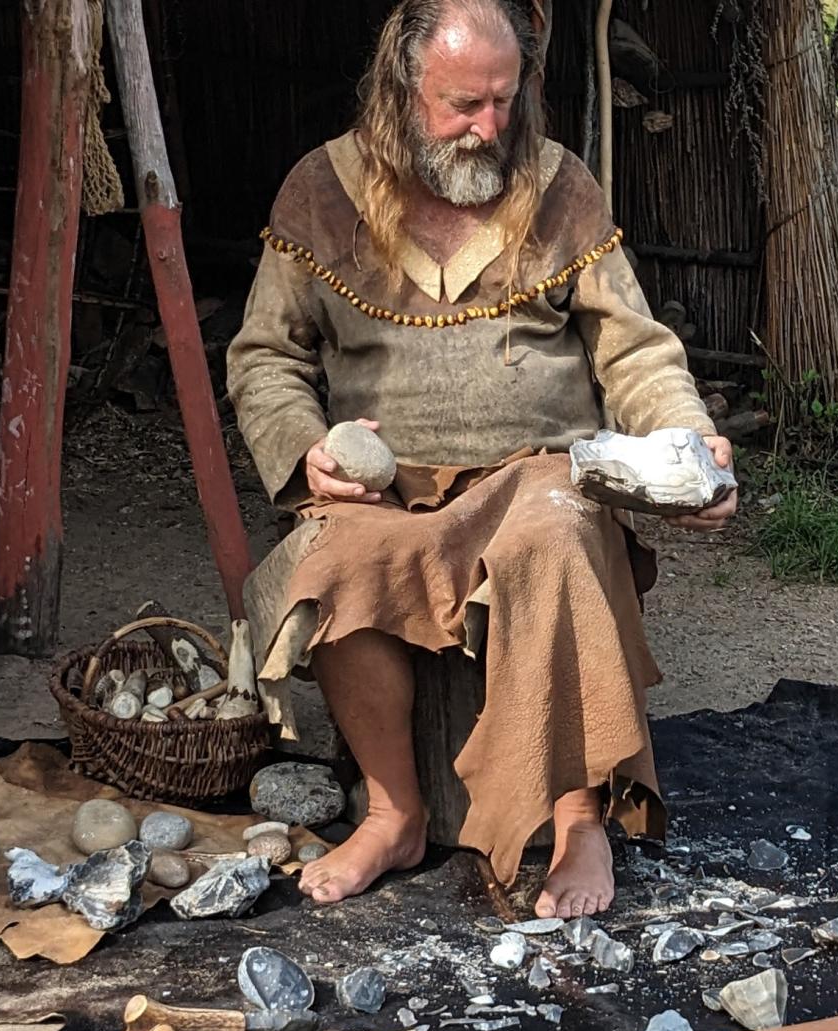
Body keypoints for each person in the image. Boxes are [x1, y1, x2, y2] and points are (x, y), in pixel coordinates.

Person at [227, 0, 737, 919]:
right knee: (330, 559)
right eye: (463, 104)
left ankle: (581, 820)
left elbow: (635, 351)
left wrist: (685, 438)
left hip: (537, 471)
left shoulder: (559, 185)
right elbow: (267, 354)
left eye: (504, 100)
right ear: (400, 90)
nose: (490, 127)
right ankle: (394, 812)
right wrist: (306, 451)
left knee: (557, 538)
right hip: (388, 485)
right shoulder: (321, 188)